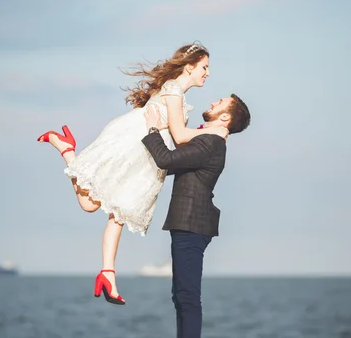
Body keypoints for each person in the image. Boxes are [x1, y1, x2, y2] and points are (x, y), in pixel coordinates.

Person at [36, 43, 228, 305]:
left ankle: (107, 274)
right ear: (190, 66)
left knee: (110, 211)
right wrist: (215, 131)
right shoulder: (173, 90)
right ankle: (66, 149)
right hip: (133, 146)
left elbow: (180, 143)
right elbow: (181, 136)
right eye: (204, 67)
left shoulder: (179, 97)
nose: (207, 73)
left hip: (147, 156)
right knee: (98, 206)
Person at [141, 93, 251, 338]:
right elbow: (172, 165)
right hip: (190, 224)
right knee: (182, 295)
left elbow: (165, 159)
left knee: (187, 296)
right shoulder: (209, 140)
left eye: (219, 103)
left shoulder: (210, 142)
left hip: (192, 224)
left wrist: (151, 129)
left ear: (224, 117)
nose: (212, 102)